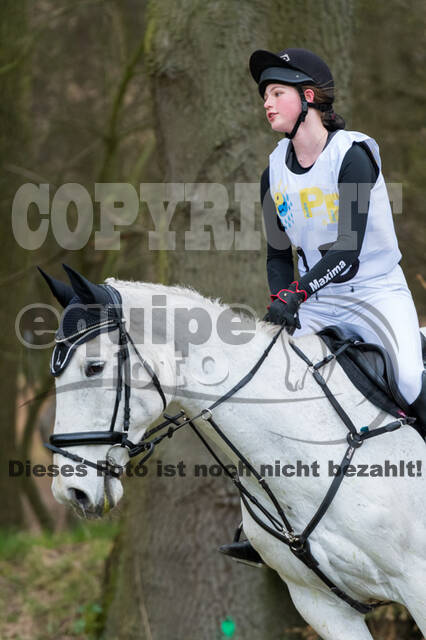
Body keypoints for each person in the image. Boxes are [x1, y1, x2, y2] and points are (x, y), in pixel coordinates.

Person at [219, 47, 425, 567]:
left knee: (409, 380)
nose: (267, 104)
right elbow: (276, 254)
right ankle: (263, 525)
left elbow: (348, 250)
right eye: (264, 95)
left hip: (374, 292)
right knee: (271, 393)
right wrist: (281, 302)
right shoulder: (272, 171)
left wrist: (297, 296)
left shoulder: (353, 154)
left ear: (309, 97)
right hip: (314, 300)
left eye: (277, 93)